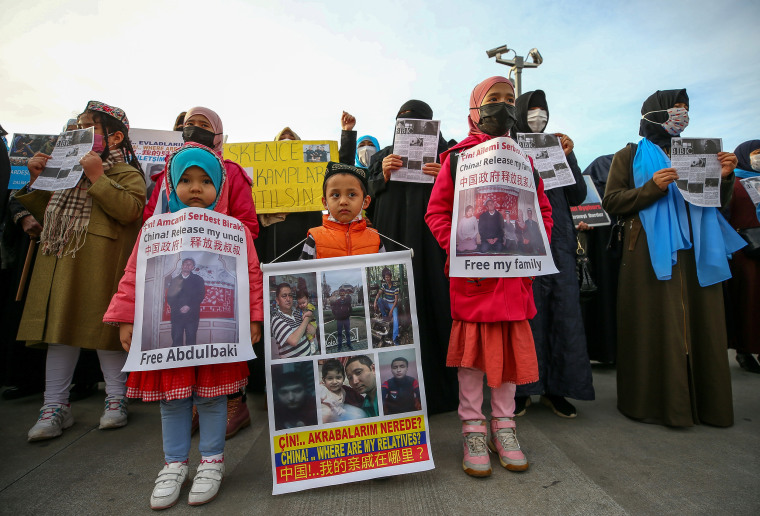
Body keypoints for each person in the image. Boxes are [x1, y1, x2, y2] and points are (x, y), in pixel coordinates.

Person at [103, 143, 264, 509]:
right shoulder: (154, 230)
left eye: (206, 181)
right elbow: (134, 276)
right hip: (169, 334)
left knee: (211, 397)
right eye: (186, 180)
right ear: (171, 185)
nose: (195, 188)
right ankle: (174, 464)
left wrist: (254, 316)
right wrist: (126, 317)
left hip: (217, 338)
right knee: (173, 401)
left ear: (220, 188)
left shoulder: (235, 231)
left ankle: (211, 461)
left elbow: (251, 276)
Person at [425, 76, 552, 477]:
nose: (502, 105)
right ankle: (473, 429)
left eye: (508, 99)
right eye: (492, 99)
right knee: (473, 358)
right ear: (474, 109)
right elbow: (436, 213)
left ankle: (505, 426)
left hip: (514, 280)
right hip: (474, 278)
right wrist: (459, 247)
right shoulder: (457, 160)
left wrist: (535, 247)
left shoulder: (525, 161)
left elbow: (543, 212)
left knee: (510, 356)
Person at [602, 89, 744, 427]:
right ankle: (653, 404)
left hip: (698, 247)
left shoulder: (698, 153)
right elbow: (613, 202)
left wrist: (724, 178)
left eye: (685, 109)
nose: (681, 114)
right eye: (674, 108)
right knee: (655, 321)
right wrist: (652, 187)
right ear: (654, 113)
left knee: (702, 322)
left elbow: (717, 203)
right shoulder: (630, 154)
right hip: (648, 249)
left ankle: (708, 404)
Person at [16, 101, 145, 442]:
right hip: (60, 266)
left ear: (114, 138)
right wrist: (36, 179)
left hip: (100, 269)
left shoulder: (127, 173)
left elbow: (131, 211)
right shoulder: (65, 172)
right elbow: (48, 213)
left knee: (105, 335)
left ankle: (116, 399)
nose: (78, 133)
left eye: (89, 128)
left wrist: (98, 178)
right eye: (77, 127)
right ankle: (55, 406)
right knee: (60, 334)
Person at [144, 106, 259, 438]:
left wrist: (214, 239)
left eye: (202, 125)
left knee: (223, 340)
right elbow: (150, 223)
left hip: (222, 271)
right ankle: (197, 403)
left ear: (218, 133)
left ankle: (236, 403)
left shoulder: (232, 173)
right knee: (186, 341)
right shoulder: (166, 173)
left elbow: (248, 225)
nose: (193, 129)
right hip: (174, 271)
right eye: (188, 124)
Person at [368, 99, 458, 415]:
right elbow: (361, 196)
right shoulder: (382, 157)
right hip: (392, 246)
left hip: (433, 248)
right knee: (396, 319)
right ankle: (392, 393)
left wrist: (445, 177)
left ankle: (442, 392)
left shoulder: (450, 154)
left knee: (436, 308)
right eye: (404, 120)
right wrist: (383, 175)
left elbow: (467, 195)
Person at [513, 89, 594, 418]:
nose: (538, 116)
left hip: (559, 238)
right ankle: (522, 390)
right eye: (531, 110)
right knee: (525, 314)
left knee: (563, 312)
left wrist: (569, 156)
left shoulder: (557, 146)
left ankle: (558, 389)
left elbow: (577, 194)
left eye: (542, 111)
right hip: (522, 236)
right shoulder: (509, 145)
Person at [724, 140, 760, 372]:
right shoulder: (732, 183)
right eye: (757, 153)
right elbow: (723, 214)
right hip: (744, 253)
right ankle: (744, 351)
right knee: (748, 302)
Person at [300, 161, 382, 259]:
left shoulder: (375, 239)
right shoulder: (315, 238)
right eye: (335, 195)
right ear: (325, 202)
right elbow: (305, 274)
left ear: (365, 202)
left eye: (352, 194)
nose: (343, 201)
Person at [166, 257, 206, 347]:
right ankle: (176, 360)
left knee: (191, 341)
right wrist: (180, 307)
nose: (187, 265)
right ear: (182, 266)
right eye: (185, 263)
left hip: (192, 315)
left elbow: (200, 295)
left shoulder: (198, 280)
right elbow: (170, 298)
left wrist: (188, 306)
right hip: (177, 315)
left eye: (190, 264)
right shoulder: (175, 280)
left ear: (193, 267)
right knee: (176, 340)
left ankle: (191, 360)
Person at [271, 283, 315, 358]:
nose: (288, 299)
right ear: (277, 300)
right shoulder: (276, 319)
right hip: (293, 367)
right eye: (284, 296)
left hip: (309, 359)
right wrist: (307, 318)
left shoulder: (298, 312)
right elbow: (294, 341)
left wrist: (310, 324)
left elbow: (313, 330)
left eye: (290, 295)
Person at [318, 359, 365, 423]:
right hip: (325, 420)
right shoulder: (322, 389)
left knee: (358, 413)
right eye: (330, 378)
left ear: (343, 378)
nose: (334, 382)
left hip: (338, 418)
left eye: (338, 378)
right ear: (324, 380)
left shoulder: (344, 391)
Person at [374, 267, 400, 345]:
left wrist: (391, 310)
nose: (387, 278)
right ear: (384, 278)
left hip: (393, 305)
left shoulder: (395, 287)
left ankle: (395, 338)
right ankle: (385, 316)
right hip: (386, 303)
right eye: (386, 277)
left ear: (391, 277)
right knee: (379, 300)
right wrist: (375, 302)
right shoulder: (384, 286)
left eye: (388, 277)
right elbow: (379, 294)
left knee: (395, 319)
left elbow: (396, 301)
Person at [296, 289, 319, 355]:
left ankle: (312, 344)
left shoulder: (309, 305)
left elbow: (310, 312)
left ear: (308, 300)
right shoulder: (300, 308)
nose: (302, 305)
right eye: (300, 304)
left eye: (303, 303)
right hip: (309, 324)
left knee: (309, 333)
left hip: (313, 323)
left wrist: (305, 315)